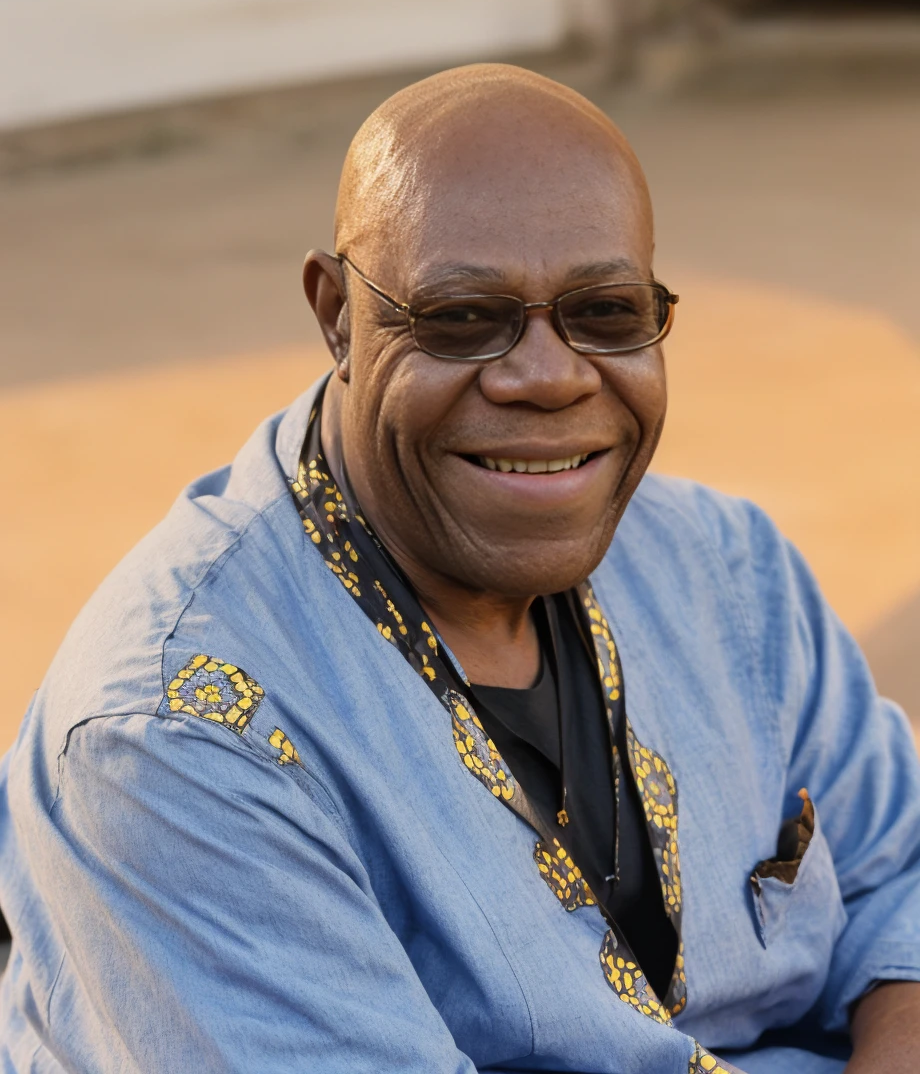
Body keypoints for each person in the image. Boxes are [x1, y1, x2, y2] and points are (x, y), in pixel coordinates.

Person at [1, 65, 919, 1074]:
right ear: (337, 314)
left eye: (606, 312)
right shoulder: (178, 738)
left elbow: (900, 876)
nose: (548, 375)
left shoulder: (726, 573)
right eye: (461, 316)